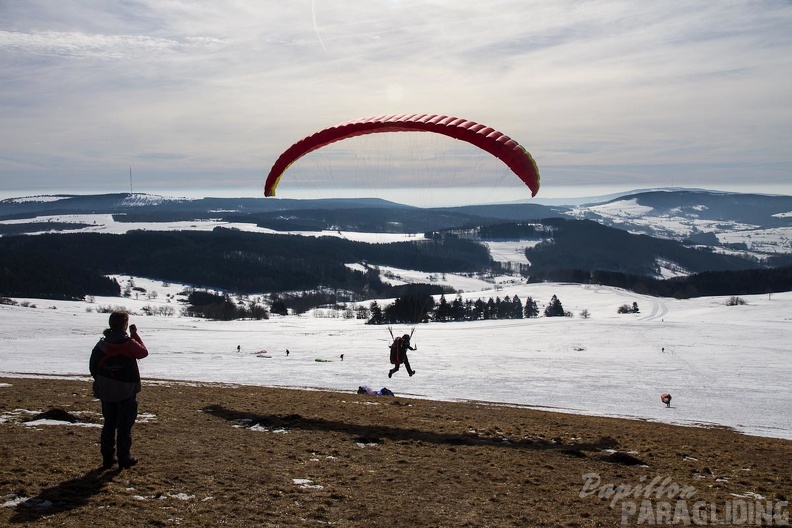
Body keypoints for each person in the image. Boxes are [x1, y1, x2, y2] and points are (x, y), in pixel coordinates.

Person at [89, 311, 148, 470]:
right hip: (127, 390)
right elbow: (143, 352)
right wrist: (134, 334)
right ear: (125, 325)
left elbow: (93, 367)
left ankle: (108, 458)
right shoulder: (128, 343)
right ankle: (124, 458)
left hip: (107, 391)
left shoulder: (102, 344)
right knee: (124, 426)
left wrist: (103, 381)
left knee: (109, 424)